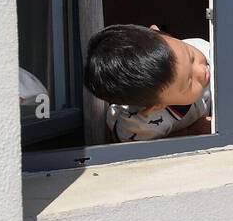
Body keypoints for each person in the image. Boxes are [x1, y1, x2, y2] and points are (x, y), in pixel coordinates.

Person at [85, 24, 215, 142]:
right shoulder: (142, 126)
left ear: (157, 31)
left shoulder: (202, 48)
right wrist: (193, 131)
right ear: (157, 106)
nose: (202, 71)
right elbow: (131, 147)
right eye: (189, 83)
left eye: (191, 57)